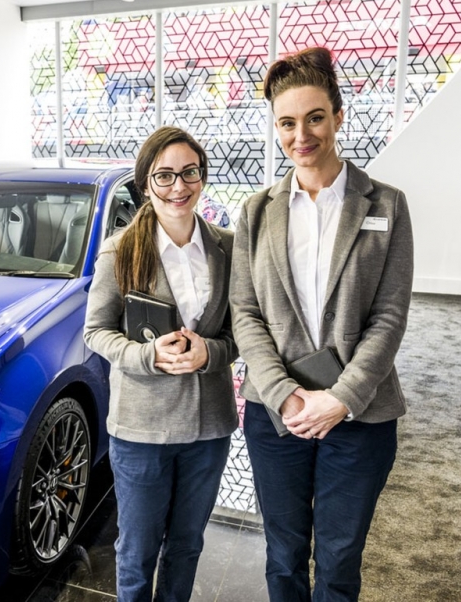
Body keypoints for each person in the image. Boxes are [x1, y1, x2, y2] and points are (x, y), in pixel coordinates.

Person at [229, 47, 413, 601]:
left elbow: (389, 316)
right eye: (287, 122)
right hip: (276, 416)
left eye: (314, 118)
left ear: (337, 115)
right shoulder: (256, 211)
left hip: (359, 415)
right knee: (283, 555)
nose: (301, 135)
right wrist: (284, 394)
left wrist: (342, 398)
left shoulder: (386, 205)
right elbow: (245, 312)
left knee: (338, 560)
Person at [84, 126, 237, 602]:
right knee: (137, 550)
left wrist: (210, 352)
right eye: (164, 175)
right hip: (142, 429)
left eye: (189, 172)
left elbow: (241, 334)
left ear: (202, 176)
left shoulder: (229, 248)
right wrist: (148, 355)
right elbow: (95, 332)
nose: (178, 186)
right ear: (145, 184)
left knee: (187, 545)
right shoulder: (120, 250)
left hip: (208, 426)